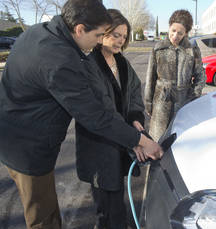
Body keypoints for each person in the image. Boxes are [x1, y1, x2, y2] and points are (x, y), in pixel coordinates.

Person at [0, 0, 163, 228]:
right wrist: (140, 141)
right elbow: (96, 116)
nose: (99, 41)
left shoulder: (42, 32)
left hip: (15, 132)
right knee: (43, 217)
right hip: (27, 147)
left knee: (46, 210)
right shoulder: (60, 60)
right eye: (98, 35)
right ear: (79, 29)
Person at [75, 9, 145, 229]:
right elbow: (103, 110)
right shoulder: (89, 65)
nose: (120, 41)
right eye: (115, 34)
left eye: (123, 37)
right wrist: (136, 139)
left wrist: (135, 117)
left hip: (120, 139)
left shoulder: (122, 64)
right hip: (99, 144)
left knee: (116, 196)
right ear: (103, 32)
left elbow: (135, 91)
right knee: (108, 204)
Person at [144, 9, 205, 141]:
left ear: (186, 33)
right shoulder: (159, 48)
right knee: (157, 138)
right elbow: (150, 78)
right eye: (173, 31)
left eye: (180, 33)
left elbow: (200, 76)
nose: (175, 35)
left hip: (183, 101)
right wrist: (148, 103)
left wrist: (192, 97)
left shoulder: (192, 50)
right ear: (169, 27)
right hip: (161, 100)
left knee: (180, 137)